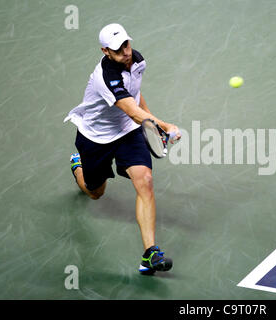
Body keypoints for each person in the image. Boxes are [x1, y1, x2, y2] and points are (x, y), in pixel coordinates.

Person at [64, 23, 181, 275]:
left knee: (145, 180)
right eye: (118, 50)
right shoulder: (105, 76)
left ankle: (150, 254)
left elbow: (135, 97)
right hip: (96, 137)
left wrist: (152, 123)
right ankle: (78, 168)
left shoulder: (137, 60)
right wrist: (164, 125)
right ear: (105, 51)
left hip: (127, 130)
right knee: (96, 192)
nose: (126, 52)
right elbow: (129, 108)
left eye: (126, 44)